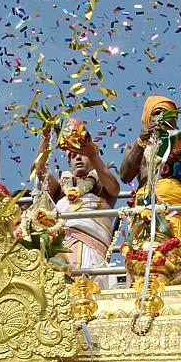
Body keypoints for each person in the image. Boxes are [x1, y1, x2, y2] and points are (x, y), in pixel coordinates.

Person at [119, 94, 181, 270]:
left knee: (178, 260)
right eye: (157, 113)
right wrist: (141, 142)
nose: (162, 118)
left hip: (180, 209)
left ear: (176, 120)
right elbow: (125, 176)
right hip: (146, 207)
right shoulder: (137, 145)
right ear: (148, 118)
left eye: (168, 114)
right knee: (144, 257)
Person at [40, 118, 119, 285]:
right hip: (63, 246)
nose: (78, 159)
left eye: (82, 155)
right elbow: (40, 170)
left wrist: (93, 154)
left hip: (93, 247)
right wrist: (46, 138)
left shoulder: (100, 184)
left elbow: (114, 189)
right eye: (73, 156)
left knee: (92, 288)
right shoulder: (61, 187)